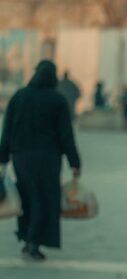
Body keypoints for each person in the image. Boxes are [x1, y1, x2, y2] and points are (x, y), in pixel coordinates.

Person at [0, 60, 82, 261]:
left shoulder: (19, 97)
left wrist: (3, 158)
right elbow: (66, 135)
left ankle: (27, 236)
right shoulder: (57, 100)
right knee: (44, 199)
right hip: (48, 159)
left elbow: (7, 129)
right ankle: (33, 242)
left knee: (27, 197)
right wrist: (75, 162)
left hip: (22, 158)